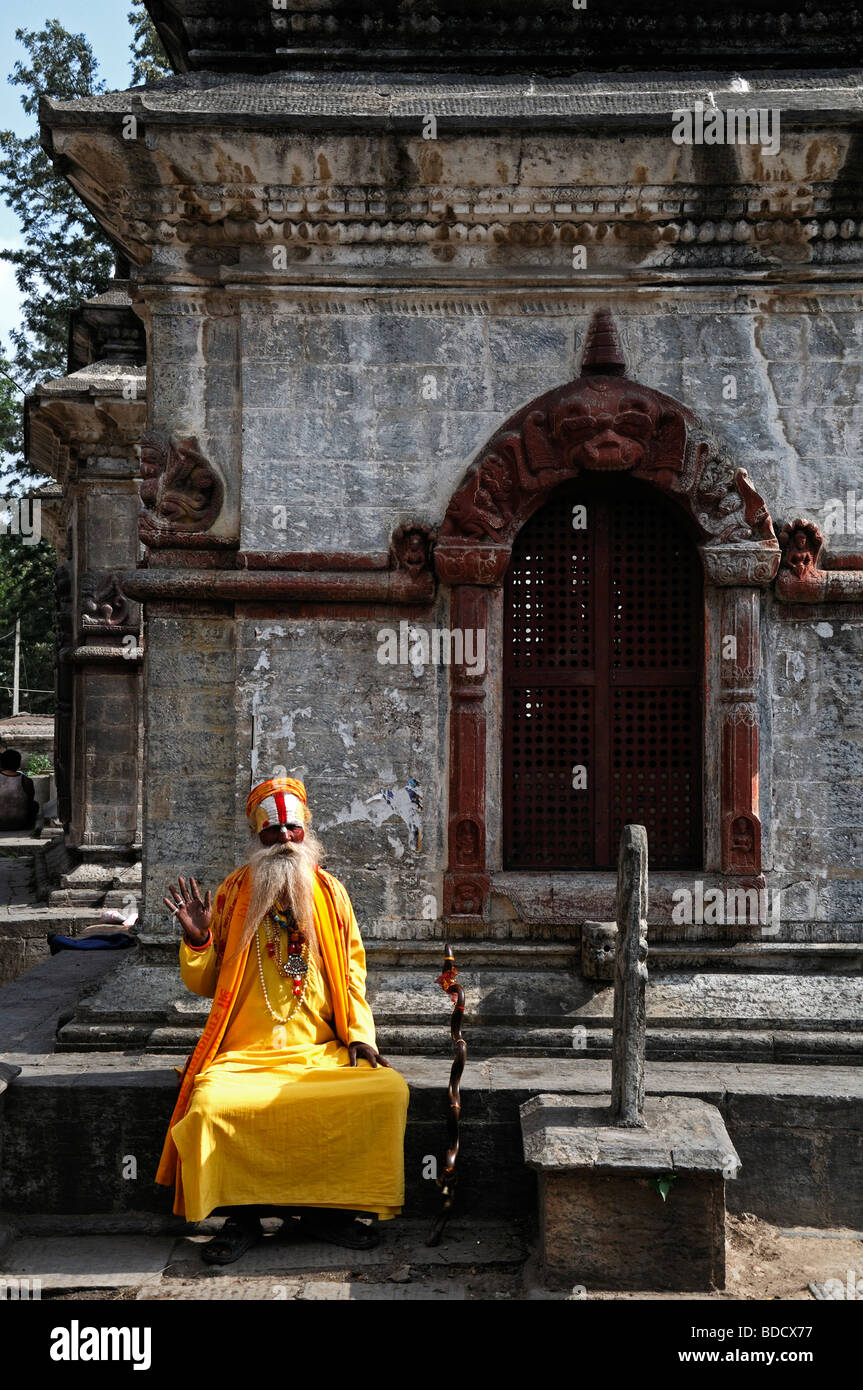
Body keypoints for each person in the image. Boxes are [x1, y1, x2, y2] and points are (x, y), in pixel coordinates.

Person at [155, 775, 409, 1265]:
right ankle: (243, 1214)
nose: (286, 839)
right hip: (244, 1055)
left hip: (319, 1052)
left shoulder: (330, 895)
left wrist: (359, 1034)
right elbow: (206, 984)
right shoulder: (231, 895)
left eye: (294, 828)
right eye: (274, 831)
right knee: (209, 1108)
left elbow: (353, 973)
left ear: (306, 830)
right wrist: (199, 941)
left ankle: (321, 1210)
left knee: (388, 1092)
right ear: (258, 837)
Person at [0, 748, 38, 831]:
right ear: (18, 764)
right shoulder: (27, 781)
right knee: (35, 805)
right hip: (20, 824)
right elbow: (30, 802)